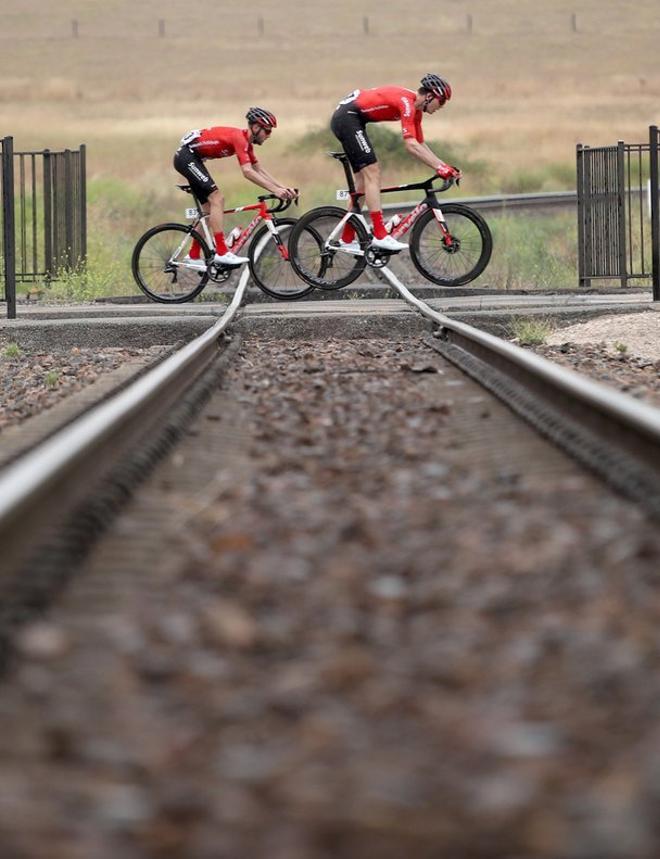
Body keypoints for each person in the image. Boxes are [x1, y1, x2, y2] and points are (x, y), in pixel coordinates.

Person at [330, 74, 462, 253]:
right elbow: (410, 145)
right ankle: (380, 235)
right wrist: (440, 168)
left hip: (352, 118)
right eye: (442, 101)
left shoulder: (415, 110)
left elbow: (420, 144)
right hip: (348, 118)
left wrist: (445, 166)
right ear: (430, 96)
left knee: (363, 183)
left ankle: (346, 239)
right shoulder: (407, 103)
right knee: (373, 172)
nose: (442, 106)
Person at [173, 107, 296, 267]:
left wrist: (283, 188)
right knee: (218, 198)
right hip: (187, 157)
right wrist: (275, 190)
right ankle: (222, 253)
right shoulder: (240, 138)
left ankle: (194, 255)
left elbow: (258, 169)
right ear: (256, 127)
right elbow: (247, 171)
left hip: (192, 158)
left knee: (209, 209)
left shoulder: (246, 143)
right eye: (267, 131)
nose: (269, 135)